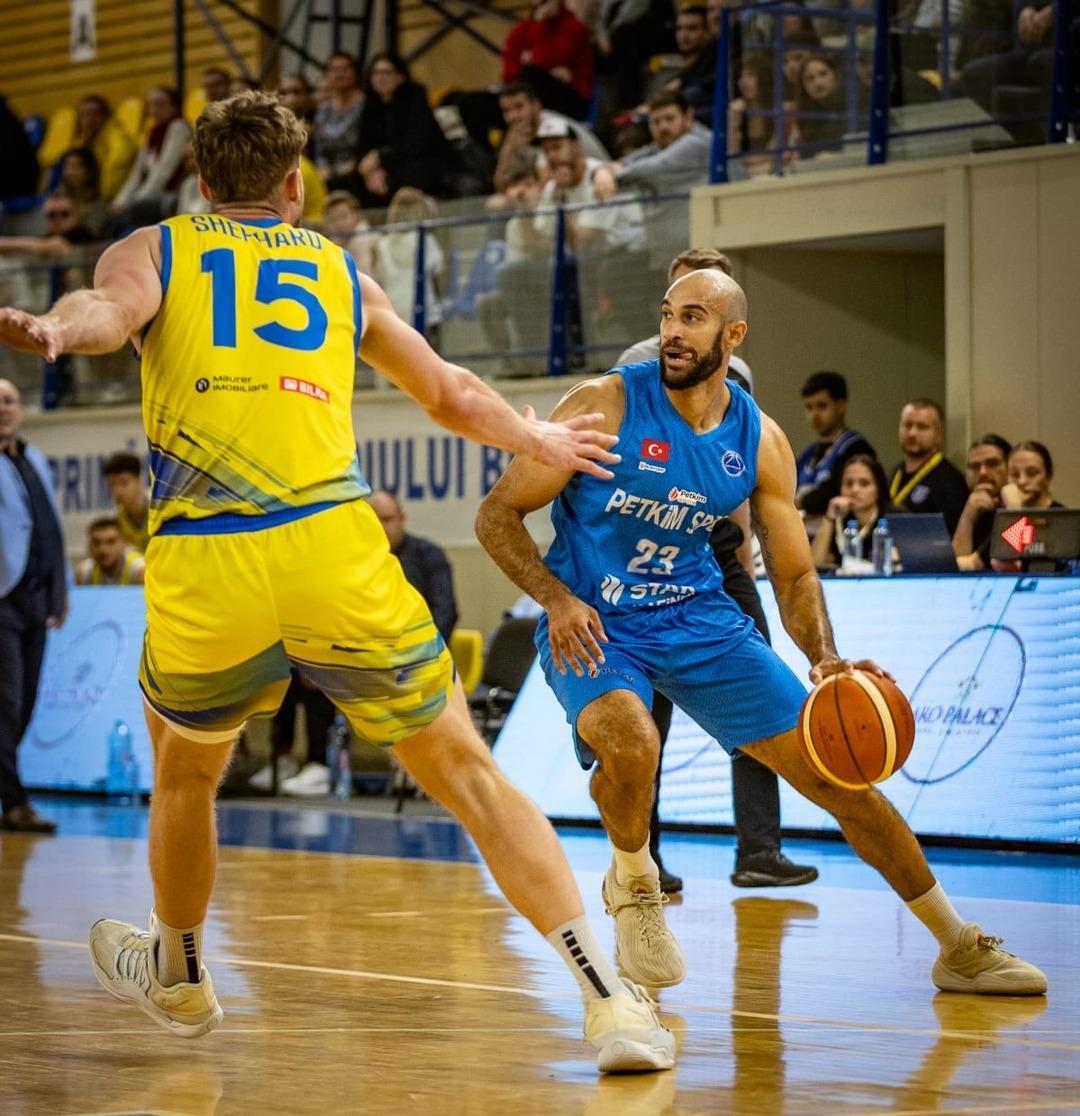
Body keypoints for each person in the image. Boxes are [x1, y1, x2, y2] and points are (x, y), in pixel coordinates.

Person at [0, 91, 671, 1073]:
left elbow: (105, 313)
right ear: (295, 183)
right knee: (471, 779)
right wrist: (537, 434)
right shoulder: (337, 271)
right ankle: (610, 1003)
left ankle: (181, 972)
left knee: (186, 771)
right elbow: (447, 391)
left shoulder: (158, 247)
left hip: (206, 562)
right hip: (331, 547)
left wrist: (58, 332)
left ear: (197, 184)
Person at [475, 267, 1047, 998]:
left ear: (732, 335)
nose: (673, 332)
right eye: (666, 316)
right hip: (596, 618)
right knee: (632, 742)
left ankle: (957, 944)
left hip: (701, 619)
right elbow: (496, 515)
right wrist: (555, 600)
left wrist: (826, 658)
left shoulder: (760, 438)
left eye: (692, 318)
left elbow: (795, 572)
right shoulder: (606, 404)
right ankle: (635, 885)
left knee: (840, 776)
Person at [615, 247, 817, 894]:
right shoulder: (633, 368)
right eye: (677, 304)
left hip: (722, 555)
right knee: (649, 724)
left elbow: (745, 472)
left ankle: (760, 849)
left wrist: (749, 555)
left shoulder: (742, 376)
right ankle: (645, 860)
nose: (681, 324)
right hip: (646, 555)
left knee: (757, 699)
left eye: (701, 305)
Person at [0, 378, 67, 834]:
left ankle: (10, 793)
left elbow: (51, 529)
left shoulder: (35, 458)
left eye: (9, 400)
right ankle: (15, 801)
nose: (4, 408)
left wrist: (60, 593)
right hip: (2, 599)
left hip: (37, 599)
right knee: (5, 702)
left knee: (22, 705)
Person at [355, 53, 452, 206]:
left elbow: (416, 143)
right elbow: (363, 145)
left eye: (386, 72)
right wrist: (371, 171)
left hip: (422, 163)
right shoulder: (370, 105)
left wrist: (379, 156)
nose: (380, 78)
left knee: (410, 171)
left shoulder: (415, 98)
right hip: (388, 166)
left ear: (400, 76)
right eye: (375, 73)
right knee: (356, 178)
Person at [368, 489, 459, 645]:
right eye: (374, 521)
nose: (380, 527)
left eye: (386, 519)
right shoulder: (360, 561)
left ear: (401, 519)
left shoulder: (429, 556)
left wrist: (419, 651)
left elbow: (445, 613)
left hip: (425, 652)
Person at [794, 371, 876, 530]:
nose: (815, 415)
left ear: (841, 405)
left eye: (822, 406)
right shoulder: (808, 454)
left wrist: (802, 502)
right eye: (809, 407)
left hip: (841, 538)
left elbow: (832, 494)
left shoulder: (856, 449)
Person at [592, 91, 712, 200]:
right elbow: (624, 161)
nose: (662, 127)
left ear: (688, 117)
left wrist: (611, 174)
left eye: (670, 119)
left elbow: (650, 168)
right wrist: (602, 171)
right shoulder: (661, 145)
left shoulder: (697, 141)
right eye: (656, 122)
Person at [494, 82, 609, 194]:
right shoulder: (516, 136)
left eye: (519, 107)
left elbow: (545, 184)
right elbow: (500, 186)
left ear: (536, 105)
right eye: (506, 111)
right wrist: (508, 148)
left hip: (600, 180)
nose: (513, 116)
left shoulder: (552, 128)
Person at [373, 188, 444, 346]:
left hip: (392, 311)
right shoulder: (427, 240)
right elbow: (437, 275)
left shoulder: (381, 244)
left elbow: (379, 278)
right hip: (424, 312)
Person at [502, 0, 595, 121]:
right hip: (529, 95)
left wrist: (540, 25)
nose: (542, 5)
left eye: (546, 2)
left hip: (572, 100)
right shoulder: (520, 29)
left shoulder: (573, 27)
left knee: (530, 74)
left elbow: (543, 60)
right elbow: (508, 73)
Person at [110, 86, 191, 223]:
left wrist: (135, 202)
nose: (154, 110)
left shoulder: (179, 127)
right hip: (150, 195)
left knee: (129, 217)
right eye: (151, 105)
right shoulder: (152, 132)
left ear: (175, 107)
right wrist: (120, 201)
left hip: (172, 195)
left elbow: (164, 172)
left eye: (160, 104)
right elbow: (137, 172)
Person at [889, 399, 969, 534]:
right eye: (907, 425)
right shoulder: (895, 472)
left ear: (938, 435)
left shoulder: (951, 480)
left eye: (922, 427)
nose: (912, 433)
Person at [809, 455, 895, 569]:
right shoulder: (839, 518)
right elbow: (814, 565)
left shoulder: (896, 517)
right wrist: (829, 517)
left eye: (864, 483)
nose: (855, 490)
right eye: (849, 484)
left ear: (878, 488)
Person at [952, 434, 1011, 571]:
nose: (983, 472)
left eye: (992, 464)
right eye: (975, 466)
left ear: (1009, 466)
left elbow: (970, 564)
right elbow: (953, 572)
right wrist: (968, 517)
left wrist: (1014, 508)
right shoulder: (961, 505)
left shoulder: (1025, 511)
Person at [312, 52, 364, 192]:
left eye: (345, 69)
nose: (339, 74)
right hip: (328, 175)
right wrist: (322, 168)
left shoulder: (366, 105)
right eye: (334, 70)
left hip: (358, 173)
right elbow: (319, 148)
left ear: (355, 73)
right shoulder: (323, 109)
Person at [70, 94, 138, 202]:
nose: (89, 119)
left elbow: (119, 160)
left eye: (94, 114)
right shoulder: (85, 139)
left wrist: (105, 197)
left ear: (106, 116)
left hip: (117, 197)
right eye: (84, 115)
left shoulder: (117, 135)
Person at [75, 516, 146, 586]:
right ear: (89, 545)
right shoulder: (83, 573)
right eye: (96, 542)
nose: (103, 549)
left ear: (124, 543)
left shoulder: (139, 570)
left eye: (110, 542)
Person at [102, 451, 150, 553]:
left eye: (124, 483)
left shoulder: (160, 508)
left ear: (139, 481)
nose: (117, 491)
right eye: (112, 485)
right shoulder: (116, 520)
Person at [322, 190, 375, 278]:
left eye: (344, 216)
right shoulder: (327, 248)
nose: (340, 223)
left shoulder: (365, 240)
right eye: (333, 219)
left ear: (356, 215)